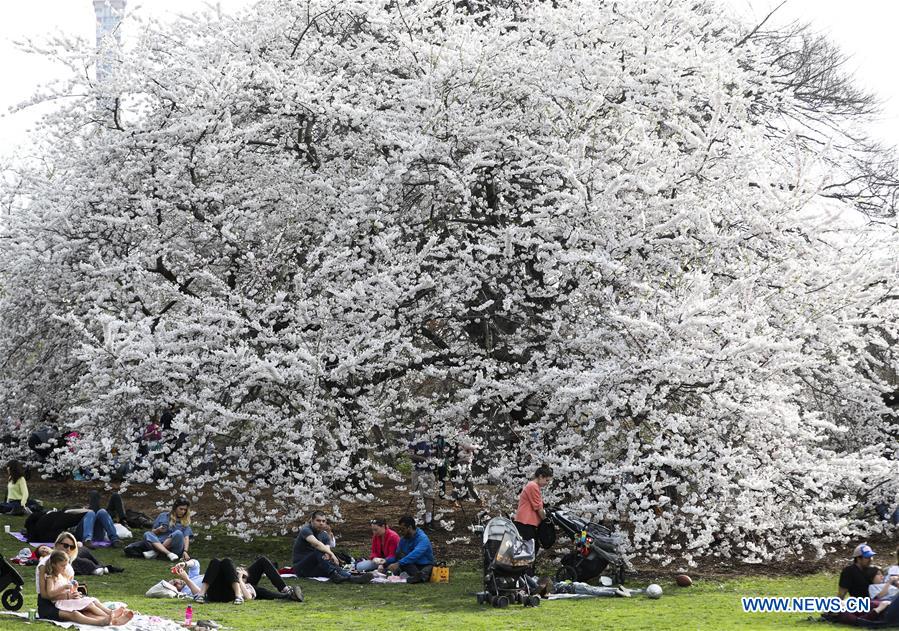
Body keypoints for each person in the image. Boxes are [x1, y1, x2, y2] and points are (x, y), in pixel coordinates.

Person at [37, 548, 133, 625]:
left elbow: (67, 589)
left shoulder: (62, 575)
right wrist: (65, 589)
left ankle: (110, 615)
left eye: (65, 565)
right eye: (62, 566)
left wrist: (74, 588)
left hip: (67, 600)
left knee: (93, 601)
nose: (65, 568)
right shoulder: (51, 577)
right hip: (60, 602)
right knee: (89, 605)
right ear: (54, 565)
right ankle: (110, 616)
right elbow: (50, 593)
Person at [174, 557, 303, 604]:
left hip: (235, 579)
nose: (177, 582)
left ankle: (286, 590)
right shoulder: (186, 588)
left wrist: (184, 565)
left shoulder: (193, 575)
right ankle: (238, 596)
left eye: (174, 580)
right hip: (222, 588)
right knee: (221, 561)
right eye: (175, 584)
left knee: (262, 561)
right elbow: (195, 592)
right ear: (175, 589)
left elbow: (195, 563)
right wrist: (186, 579)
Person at [292, 511, 368, 583]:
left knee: (331, 563)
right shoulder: (306, 530)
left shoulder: (324, 535)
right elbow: (317, 544)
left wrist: (330, 555)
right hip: (301, 567)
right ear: (312, 520)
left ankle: (352, 578)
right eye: (318, 521)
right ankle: (333, 574)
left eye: (323, 521)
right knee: (319, 550)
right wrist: (333, 555)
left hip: (313, 567)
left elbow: (327, 551)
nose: (321, 523)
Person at [37, 531, 124, 577]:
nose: (68, 549)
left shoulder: (69, 550)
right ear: (57, 544)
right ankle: (98, 569)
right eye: (66, 546)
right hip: (70, 560)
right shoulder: (47, 560)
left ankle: (102, 566)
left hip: (74, 555)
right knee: (77, 560)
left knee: (84, 550)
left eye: (71, 546)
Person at [514, 464, 553, 557]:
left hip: (526, 521)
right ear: (540, 476)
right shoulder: (533, 486)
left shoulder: (533, 486)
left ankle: (527, 569)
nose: (547, 483)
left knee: (531, 547)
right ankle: (526, 570)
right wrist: (545, 519)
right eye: (546, 480)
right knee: (530, 548)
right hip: (526, 522)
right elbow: (538, 507)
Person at [382, 515, 435, 584]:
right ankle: (416, 577)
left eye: (403, 529)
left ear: (409, 527)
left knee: (423, 571)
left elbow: (415, 555)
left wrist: (398, 563)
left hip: (424, 565)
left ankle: (418, 576)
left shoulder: (423, 538)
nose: (401, 531)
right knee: (399, 556)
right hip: (410, 565)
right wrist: (385, 561)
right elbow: (397, 554)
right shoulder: (404, 539)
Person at [409, 430, 436, 529]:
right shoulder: (413, 438)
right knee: (419, 496)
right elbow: (411, 455)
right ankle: (420, 519)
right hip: (418, 471)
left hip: (430, 471)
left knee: (430, 496)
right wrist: (424, 459)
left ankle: (428, 520)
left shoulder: (431, 438)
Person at [452, 424, 480, 502]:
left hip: (467, 461)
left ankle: (478, 499)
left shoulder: (466, 435)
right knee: (460, 482)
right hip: (463, 462)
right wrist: (477, 446)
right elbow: (468, 446)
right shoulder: (461, 435)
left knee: (470, 483)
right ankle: (452, 499)